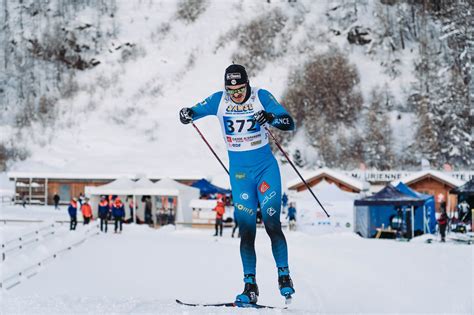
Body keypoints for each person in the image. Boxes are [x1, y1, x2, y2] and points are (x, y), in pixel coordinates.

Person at [179, 63, 295, 303]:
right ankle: (250, 286)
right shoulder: (219, 100)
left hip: (265, 171)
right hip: (240, 175)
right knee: (246, 232)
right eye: (232, 91)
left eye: (240, 89)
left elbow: (288, 122)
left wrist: (271, 117)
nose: (237, 95)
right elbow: (193, 111)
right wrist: (186, 113)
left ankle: (284, 276)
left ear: (247, 84)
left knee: (272, 223)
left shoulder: (260, 96)